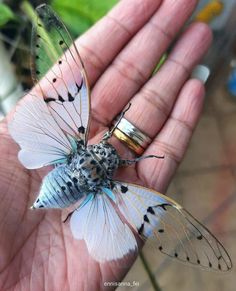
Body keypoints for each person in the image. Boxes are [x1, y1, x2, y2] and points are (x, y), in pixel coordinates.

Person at [0, 0, 212, 290]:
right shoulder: (110, 184)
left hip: (62, 168)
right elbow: (132, 166)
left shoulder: (83, 148)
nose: (108, 152)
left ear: (91, 146)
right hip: (70, 184)